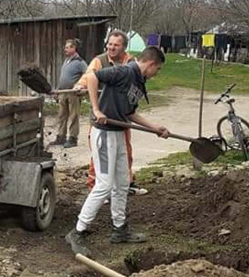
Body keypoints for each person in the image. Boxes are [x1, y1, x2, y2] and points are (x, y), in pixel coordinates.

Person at [65, 46, 169, 256]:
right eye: (156, 70)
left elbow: (129, 113)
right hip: (104, 134)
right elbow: (93, 77)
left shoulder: (139, 81)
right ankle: (78, 231)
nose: (155, 74)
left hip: (119, 133)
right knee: (103, 185)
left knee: (122, 182)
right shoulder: (124, 71)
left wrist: (154, 127)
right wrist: (96, 109)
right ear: (150, 64)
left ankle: (119, 229)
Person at [77, 30, 148, 196]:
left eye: (116, 45)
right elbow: (88, 76)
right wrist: (80, 86)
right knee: (99, 155)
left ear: (124, 47)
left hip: (121, 116)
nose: (111, 48)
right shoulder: (99, 60)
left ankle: (125, 184)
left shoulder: (130, 63)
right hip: (101, 117)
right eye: (109, 44)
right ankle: (95, 187)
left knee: (125, 154)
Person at [52, 38, 87, 148]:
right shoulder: (66, 61)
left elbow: (88, 75)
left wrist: (81, 87)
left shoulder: (80, 62)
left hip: (73, 93)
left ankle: (72, 138)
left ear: (74, 48)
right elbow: (62, 78)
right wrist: (57, 91)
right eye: (65, 47)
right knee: (62, 115)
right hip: (63, 92)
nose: (65, 49)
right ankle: (60, 137)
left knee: (73, 116)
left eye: (67, 47)